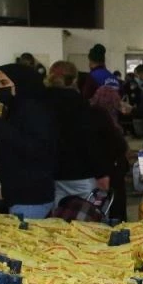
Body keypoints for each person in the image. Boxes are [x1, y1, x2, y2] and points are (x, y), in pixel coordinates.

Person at [0, 63, 56, 219]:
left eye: (4, 83)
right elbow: (10, 152)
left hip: (31, 197)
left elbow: (33, 149)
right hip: (18, 196)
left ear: (21, 83)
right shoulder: (14, 110)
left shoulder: (36, 110)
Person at [46, 61, 113, 206]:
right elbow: (90, 141)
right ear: (75, 80)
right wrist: (101, 173)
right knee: (89, 217)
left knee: (56, 219)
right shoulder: (81, 105)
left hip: (50, 174)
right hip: (81, 173)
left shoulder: (40, 104)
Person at [90, 84, 130, 222]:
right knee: (116, 207)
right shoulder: (111, 123)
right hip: (114, 172)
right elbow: (120, 147)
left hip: (95, 173)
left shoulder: (88, 118)